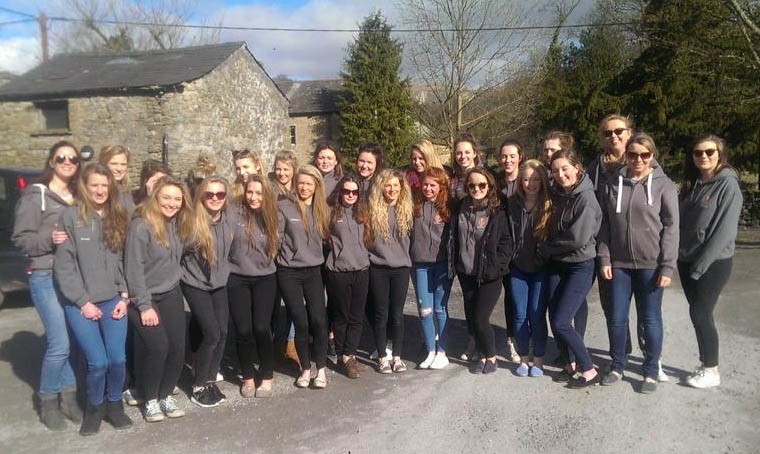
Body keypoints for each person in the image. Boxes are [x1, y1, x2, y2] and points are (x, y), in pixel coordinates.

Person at [54, 163, 132, 435]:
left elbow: (124, 259)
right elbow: (65, 267)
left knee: (117, 359)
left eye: (104, 185)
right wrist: (82, 302)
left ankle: (115, 405)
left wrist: (124, 295)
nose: (100, 190)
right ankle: (94, 408)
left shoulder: (117, 216)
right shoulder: (71, 217)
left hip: (113, 300)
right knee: (97, 362)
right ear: (85, 188)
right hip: (81, 304)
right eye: (94, 185)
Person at [597, 133, 679, 393]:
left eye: (645, 155)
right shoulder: (613, 183)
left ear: (652, 156)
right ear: (627, 156)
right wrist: (605, 257)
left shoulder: (664, 186)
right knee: (617, 318)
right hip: (619, 265)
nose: (639, 160)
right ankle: (617, 365)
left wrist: (667, 266)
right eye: (633, 154)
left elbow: (671, 227)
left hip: (650, 265)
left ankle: (651, 370)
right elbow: (605, 224)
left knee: (650, 319)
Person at [12, 140, 82, 430]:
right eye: (61, 157)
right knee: (59, 343)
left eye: (73, 159)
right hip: (46, 276)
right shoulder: (36, 195)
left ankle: (69, 399)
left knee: (69, 341)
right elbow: (21, 239)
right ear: (51, 162)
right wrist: (48, 240)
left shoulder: (78, 196)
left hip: (74, 276)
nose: (67, 162)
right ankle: (48, 401)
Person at [125, 176, 193, 422]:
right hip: (145, 297)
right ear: (155, 197)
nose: (172, 203)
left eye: (177, 199)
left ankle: (165, 395)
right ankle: (150, 399)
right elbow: (133, 270)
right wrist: (144, 306)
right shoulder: (141, 227)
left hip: (171, 292)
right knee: (158, 347)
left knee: (177, 348)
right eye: (166, 198)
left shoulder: (178, 224)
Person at [678, 134, 743, 389]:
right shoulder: (692, 184)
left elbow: (724, 232)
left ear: (720, 155)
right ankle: (705, 363)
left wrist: (700, 266)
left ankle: (711, 369)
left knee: (701, 313)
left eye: (709, 152)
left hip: (712, 263)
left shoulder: (728, 185)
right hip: (686, 259)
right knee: (697, 314)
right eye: (698, 152)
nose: (703, 156)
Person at [543, 150, 602, 388]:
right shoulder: (560, 194)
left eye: (565, 168)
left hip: (580, 265)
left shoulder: (586, 197)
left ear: (577, 167)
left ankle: (588, 369)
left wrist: (547, 248)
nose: (560, 174)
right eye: (555, 170)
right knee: (553, 313)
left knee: (562, 321)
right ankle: (569, 364)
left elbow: (577, 239)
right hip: (559, 263)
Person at [452, 168, 512, 374]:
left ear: (490, 186)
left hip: (490, 274)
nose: (476, 189)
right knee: (471, 316)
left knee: (480, 317)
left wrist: (498, 265)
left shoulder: (497, 211)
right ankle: (481, 353)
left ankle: (491, 356)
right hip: (466, 271)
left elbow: (506, 242)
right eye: (472, 185)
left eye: (481, 185)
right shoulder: (461, 207)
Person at [181, 176, 233, 407]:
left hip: (219, 283)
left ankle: (210, 379)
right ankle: (199, 385)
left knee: (223, 331)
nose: (214, 198)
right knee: (211, 333)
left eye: (220, 194)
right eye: (209, 194)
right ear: (201, 196)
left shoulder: (228, 219)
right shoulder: (191, 222)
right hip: (195, 283)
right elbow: (175, 252)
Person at [276, 165, 330, 388]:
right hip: (289, 271)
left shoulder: (322, 209)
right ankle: (305, 368)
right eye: (301, 183)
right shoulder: (284, 207)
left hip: (314, 271)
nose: (304, 187)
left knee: (318, 320)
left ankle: (321, 369)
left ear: (317, 186)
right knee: (300, 320)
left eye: (309, 183)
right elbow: (277, 238)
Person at [227, 175, 280, 398]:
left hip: (265, 278)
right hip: (237, 277)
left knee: (261, 327)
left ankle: (267, 375)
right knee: (243, 330)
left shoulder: (273, 215)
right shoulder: (233, 212)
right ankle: (247, 376)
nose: (253, 197)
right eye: (250, 192)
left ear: (266, 194)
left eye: (258, 193)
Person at [507, 160, 552, 377]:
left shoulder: (549, 204)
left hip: (541, 267)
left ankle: (539, 360)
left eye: (535, 179)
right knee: (519, 313)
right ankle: (524, 358)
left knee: (536, 313)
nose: (531, 184)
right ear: (520, 182)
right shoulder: (512, 204)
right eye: (526, 179)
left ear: (542, 180)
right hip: (518, 267)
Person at [324, 175, 371, 378]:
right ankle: (342, 356)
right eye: (346, 191)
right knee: (341, 317)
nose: (350, 195)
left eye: (354, 192)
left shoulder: (363, 213)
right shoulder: (331, 213)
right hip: (339, 272)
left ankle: (350, 354)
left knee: (356, 317)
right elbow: (324, 238)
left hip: (361, 269)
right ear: (340, 192)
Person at [368, 169, 413, 373]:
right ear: (381, 187)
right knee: (381, 313)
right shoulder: (373, 210)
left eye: (396, 185)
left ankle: (397, 356)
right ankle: (382, 356)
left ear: (401, 188)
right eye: (388, 185)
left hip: (401, 268)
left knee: (397, 314)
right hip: (378, 267)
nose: (392, 189)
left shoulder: (407, 210)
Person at [411, 167, 453, 370]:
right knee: (425, 309)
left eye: (433, 185)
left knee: (439, 308)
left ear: (441, 186)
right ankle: (430, 350)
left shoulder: (447, 207)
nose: (428, 188)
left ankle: (442, 351)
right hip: (420, 263)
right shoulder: (415, 206)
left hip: (442, 264)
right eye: (425, 185)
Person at [496, 139, 524, 363]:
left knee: (521, 299)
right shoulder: (496, 184)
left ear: (520, 157)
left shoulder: (527, 181)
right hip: (504, 249)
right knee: (509, 298)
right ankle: (511, 340)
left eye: (512, 156)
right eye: (504, 156)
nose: (508, 160)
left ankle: (527, 339)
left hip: (524, 249)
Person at [98, 145, 134, 213]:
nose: (119, 169)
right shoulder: (99, 191)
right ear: (103, 164)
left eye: (123, 164)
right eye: (114, 164)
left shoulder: (125, 191)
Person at [449, 132, 482, 202]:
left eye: (467, 152)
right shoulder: (454, 180)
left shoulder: (484, 176)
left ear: (474, 153)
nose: (463, 156)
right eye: (459, 153)